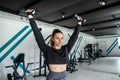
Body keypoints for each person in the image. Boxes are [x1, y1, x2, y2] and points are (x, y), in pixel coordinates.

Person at [26, 9, 82, 80]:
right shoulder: (47, 50)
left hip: (63, 77)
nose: (60, 40)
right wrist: (30, 17)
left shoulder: (66, 49)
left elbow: (74, 37)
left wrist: (79, 23)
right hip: (52, 78)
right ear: (52, 39)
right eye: (57, 38)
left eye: (61, 38)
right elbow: (38, 35)